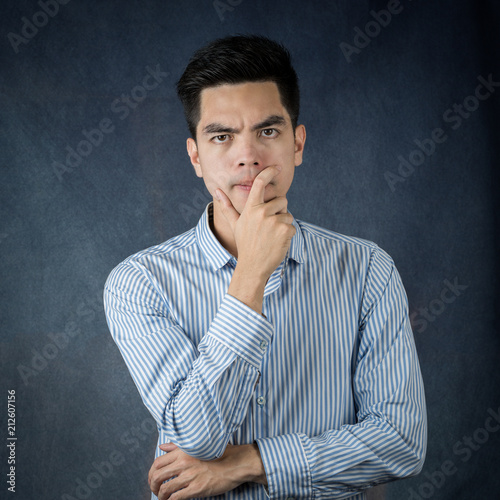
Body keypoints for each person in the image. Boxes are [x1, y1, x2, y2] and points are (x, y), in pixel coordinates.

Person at [103, 34, 427, 500]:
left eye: (268, 131)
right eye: (221, 136)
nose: (248, 155)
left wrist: (249, 462)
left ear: (298, 143)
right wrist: (250, 275)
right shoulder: (138, 283)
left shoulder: (367, 270)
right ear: (195, 156)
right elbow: (196, 440)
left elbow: (401, 442)